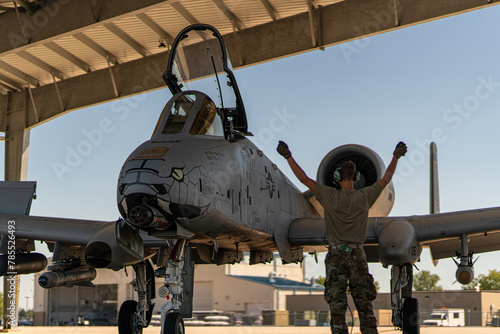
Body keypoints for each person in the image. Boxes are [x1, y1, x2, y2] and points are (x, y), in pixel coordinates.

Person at [276, 141, 407, 334]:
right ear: (357, 177)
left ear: (336, 177)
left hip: (337, 255)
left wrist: (288, 156)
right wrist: (396, 156)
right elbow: (386, 178)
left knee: (337, 307)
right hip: (357, 255)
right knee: (364, 306)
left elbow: (303, 179)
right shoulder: (364, 196)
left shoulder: (328, 195)